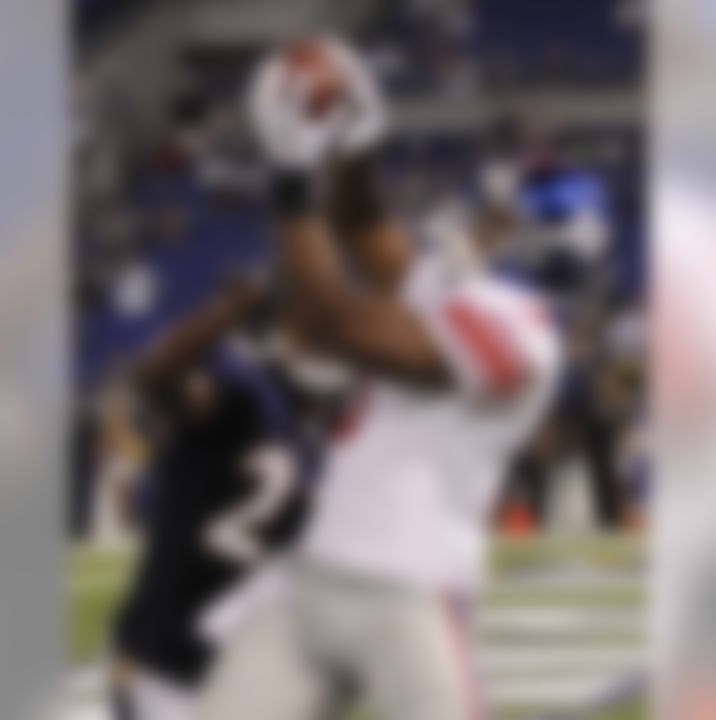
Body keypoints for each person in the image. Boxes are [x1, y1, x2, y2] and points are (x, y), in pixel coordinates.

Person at [198, 38, 562, 720]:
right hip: (314, 584)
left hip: (411, 595)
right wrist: (362, 136)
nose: (486, 212)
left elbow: (329, 322)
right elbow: (363, 225)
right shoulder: (457, 295)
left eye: (511, 208)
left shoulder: (524, 334)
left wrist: (290, 171)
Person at [112, 275, 340, 720]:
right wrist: (228, 313)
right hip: (173, 657)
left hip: (234, 655)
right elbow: (157, 379)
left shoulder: (294, 410)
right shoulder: (243, 390)